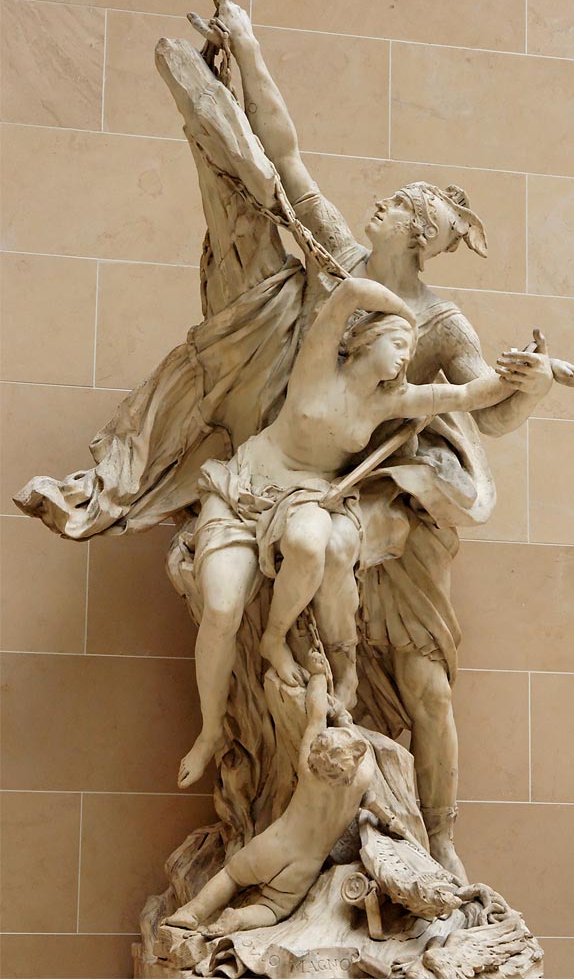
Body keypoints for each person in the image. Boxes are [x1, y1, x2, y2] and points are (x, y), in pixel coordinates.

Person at [207, 0, 574, 881]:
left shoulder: (442, 322)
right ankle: (303, 836)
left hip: (405, 511)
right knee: (308, 645)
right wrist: (247, 46)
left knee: (425, 682)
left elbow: (488, 412)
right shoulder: (342, 265)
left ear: (414, 234)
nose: (373, 206)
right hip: (318, 490)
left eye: (391, 206)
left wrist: (532, 386)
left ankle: (441, 841)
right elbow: (286, 155)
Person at [179, 274, 519, 790]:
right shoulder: (319, 366)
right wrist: (405, 312)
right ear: (366, 340)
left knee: (310, 544)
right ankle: (209, 733)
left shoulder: (388, 403)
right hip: (244, 487)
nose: (405, 358)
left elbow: (469, 393)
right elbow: (350, 293)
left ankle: (274, 638)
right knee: (222, 610)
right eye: (399, 344)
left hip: (309, 496)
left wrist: (526, 378)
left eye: (410, 350)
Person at [164, 650, 375, 935]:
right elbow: (362, 749)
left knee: (231, 875)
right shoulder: (363, 778)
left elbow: (316, 714)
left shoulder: (309, 772)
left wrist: (316, 675)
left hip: (275, 845)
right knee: (273, 908)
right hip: (305, 867)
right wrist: (347, 723)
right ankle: (238, 920)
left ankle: (191, 913)